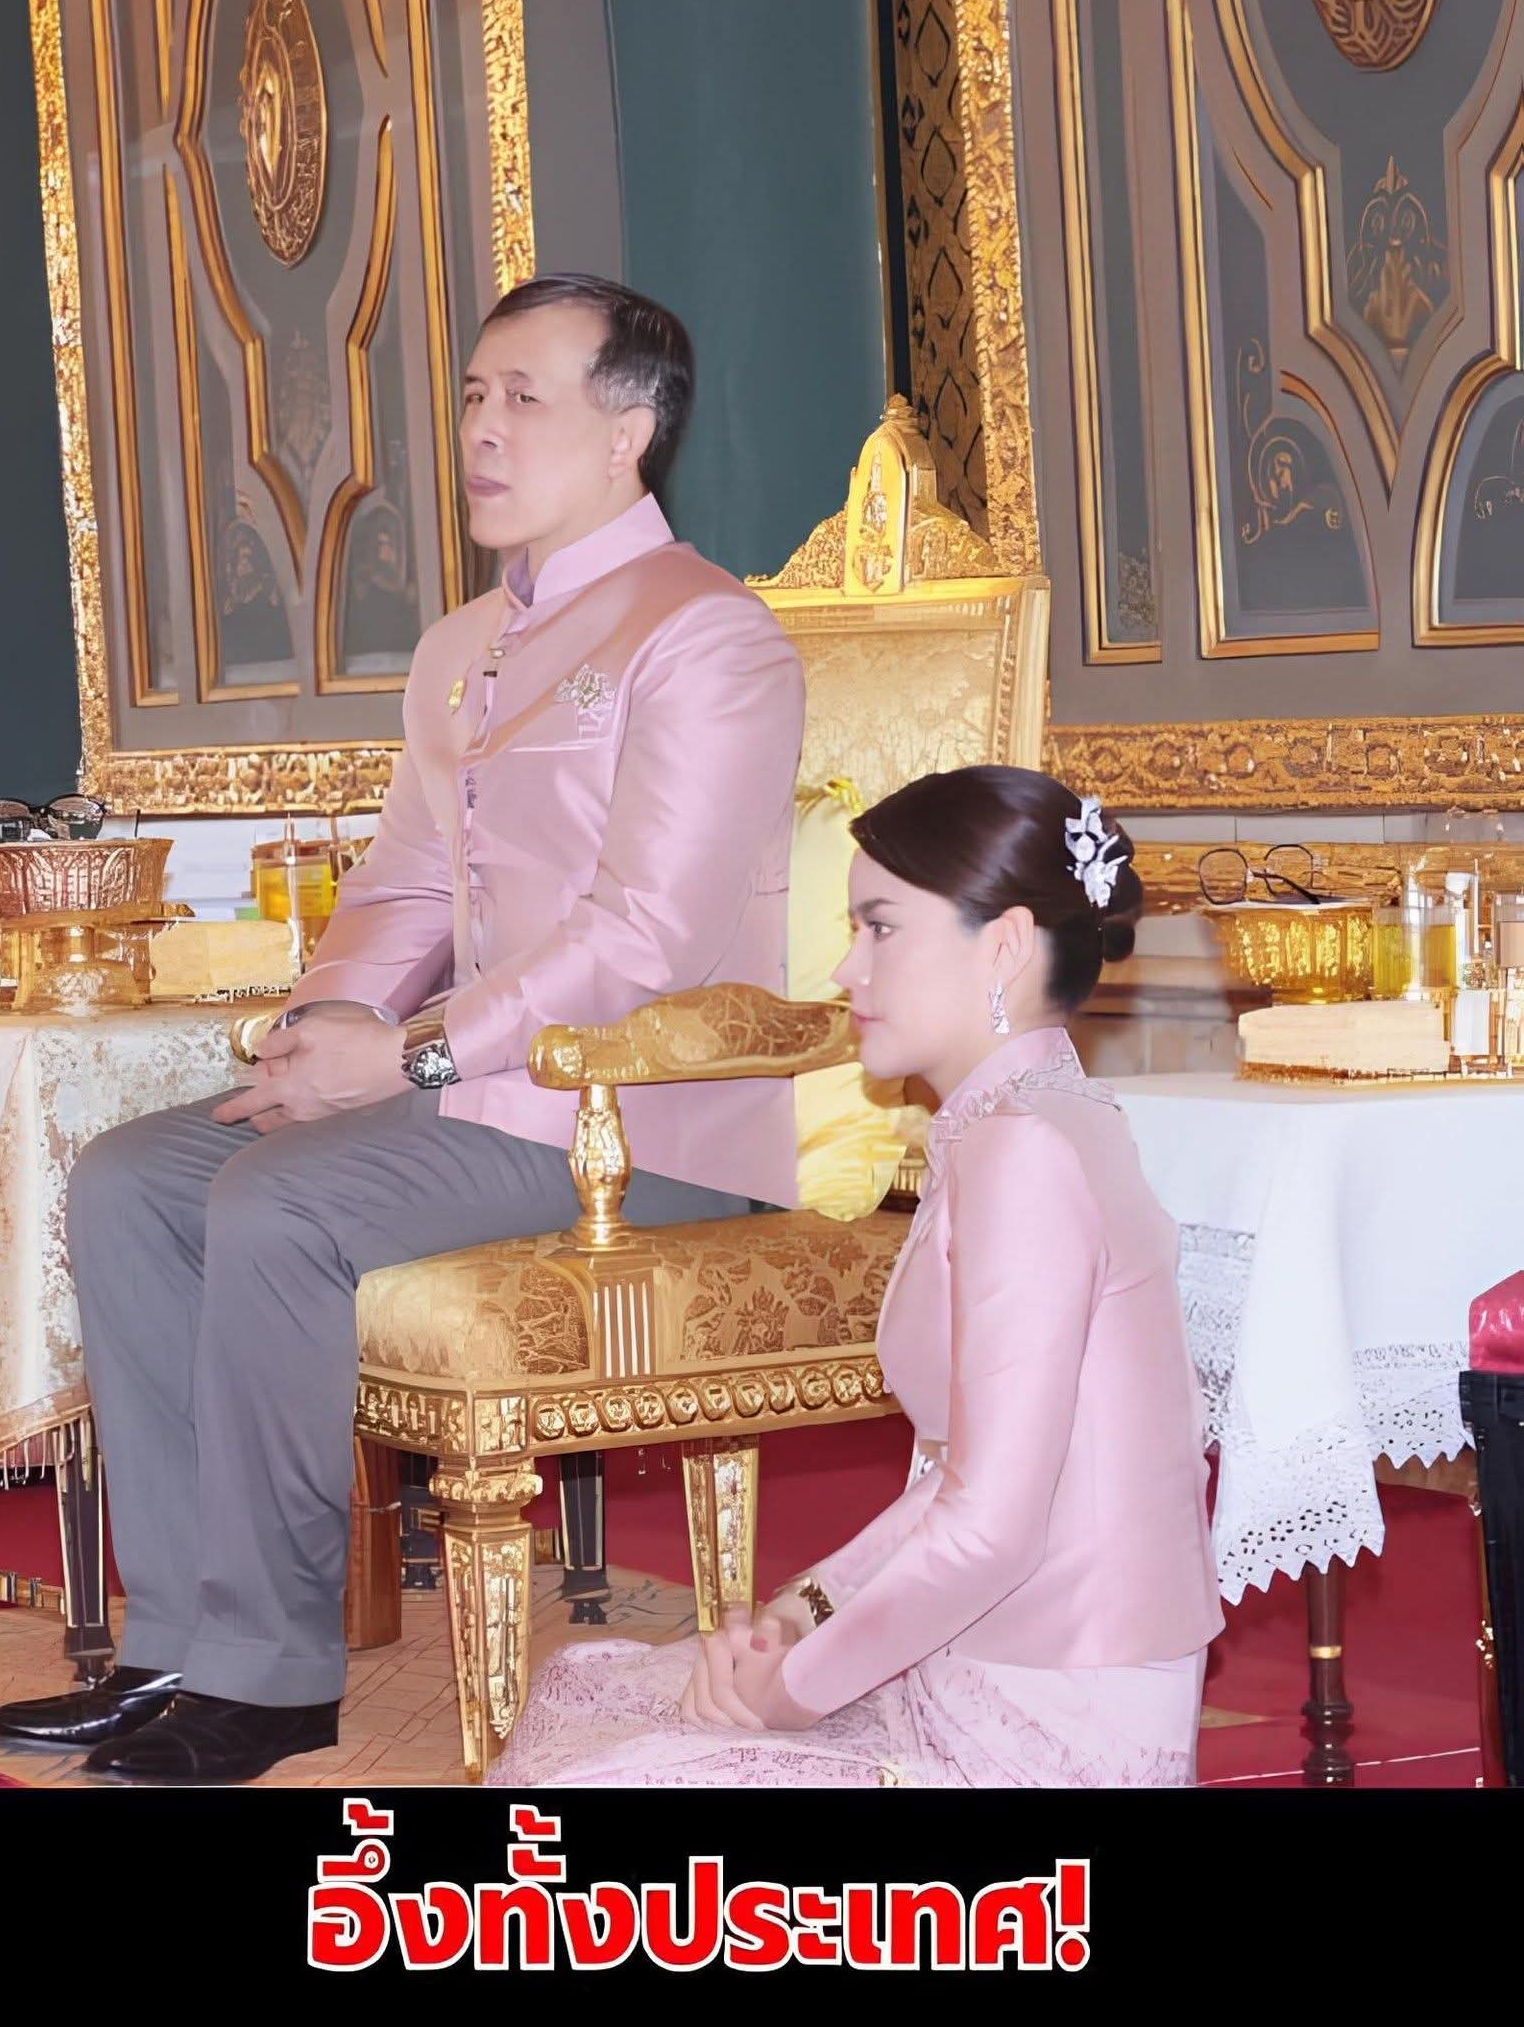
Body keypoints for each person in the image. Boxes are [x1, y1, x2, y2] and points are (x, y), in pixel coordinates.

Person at [0, 275, 806, 1783]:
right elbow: (407, 883)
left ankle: (272, 1680)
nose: (480, 430)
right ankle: (178, 1643)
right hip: (477, 1094)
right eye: (474, 397)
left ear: (628, 430)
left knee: (276, 1201)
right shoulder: (462, 644)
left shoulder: (708, 636)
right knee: (130, 1177)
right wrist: (328, 1025)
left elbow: (648, 934)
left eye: (523, 399)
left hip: (639, 1123)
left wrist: (414, 1055)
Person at [486, 765, 1224, 1788]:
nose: (845, 967)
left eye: (881, 928)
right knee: (592, 1694)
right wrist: (806, 1609)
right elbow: (962, 1479)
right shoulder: (1026, 1119)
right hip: (985, 1659)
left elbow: (992, 1528)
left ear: (1005, 945)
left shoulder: (1024, 1149)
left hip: (1045, 1716)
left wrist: (788, 1691)